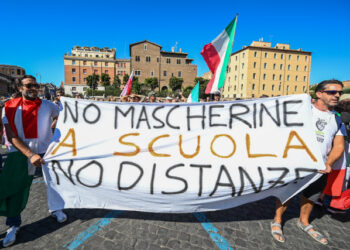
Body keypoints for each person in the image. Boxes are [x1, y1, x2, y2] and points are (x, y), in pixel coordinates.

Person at [271, 79, 345, 245]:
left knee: (311, 197)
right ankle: (277, 220)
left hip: (320, 167)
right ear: (319, 94)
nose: (337, 95)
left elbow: (339, 146)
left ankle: (304, 222)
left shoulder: (338, 119)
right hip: (296, 163)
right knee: (287, 193)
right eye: (332, 92)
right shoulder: (302, 110)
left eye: (339, 92)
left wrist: (329, 163)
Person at [0, 75, 67, 247]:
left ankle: (56, 209)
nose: (33, 88)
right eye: (29, 85)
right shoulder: (9, 107)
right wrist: (30, 154)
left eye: (35, 85)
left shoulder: (48, 105)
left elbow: (67, 115)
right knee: (16, 189)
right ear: (19, 88)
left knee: (54, 183)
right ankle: (13, 225)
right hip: (20, 153)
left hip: (46, 151)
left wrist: (56, 130)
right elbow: (11, 135)